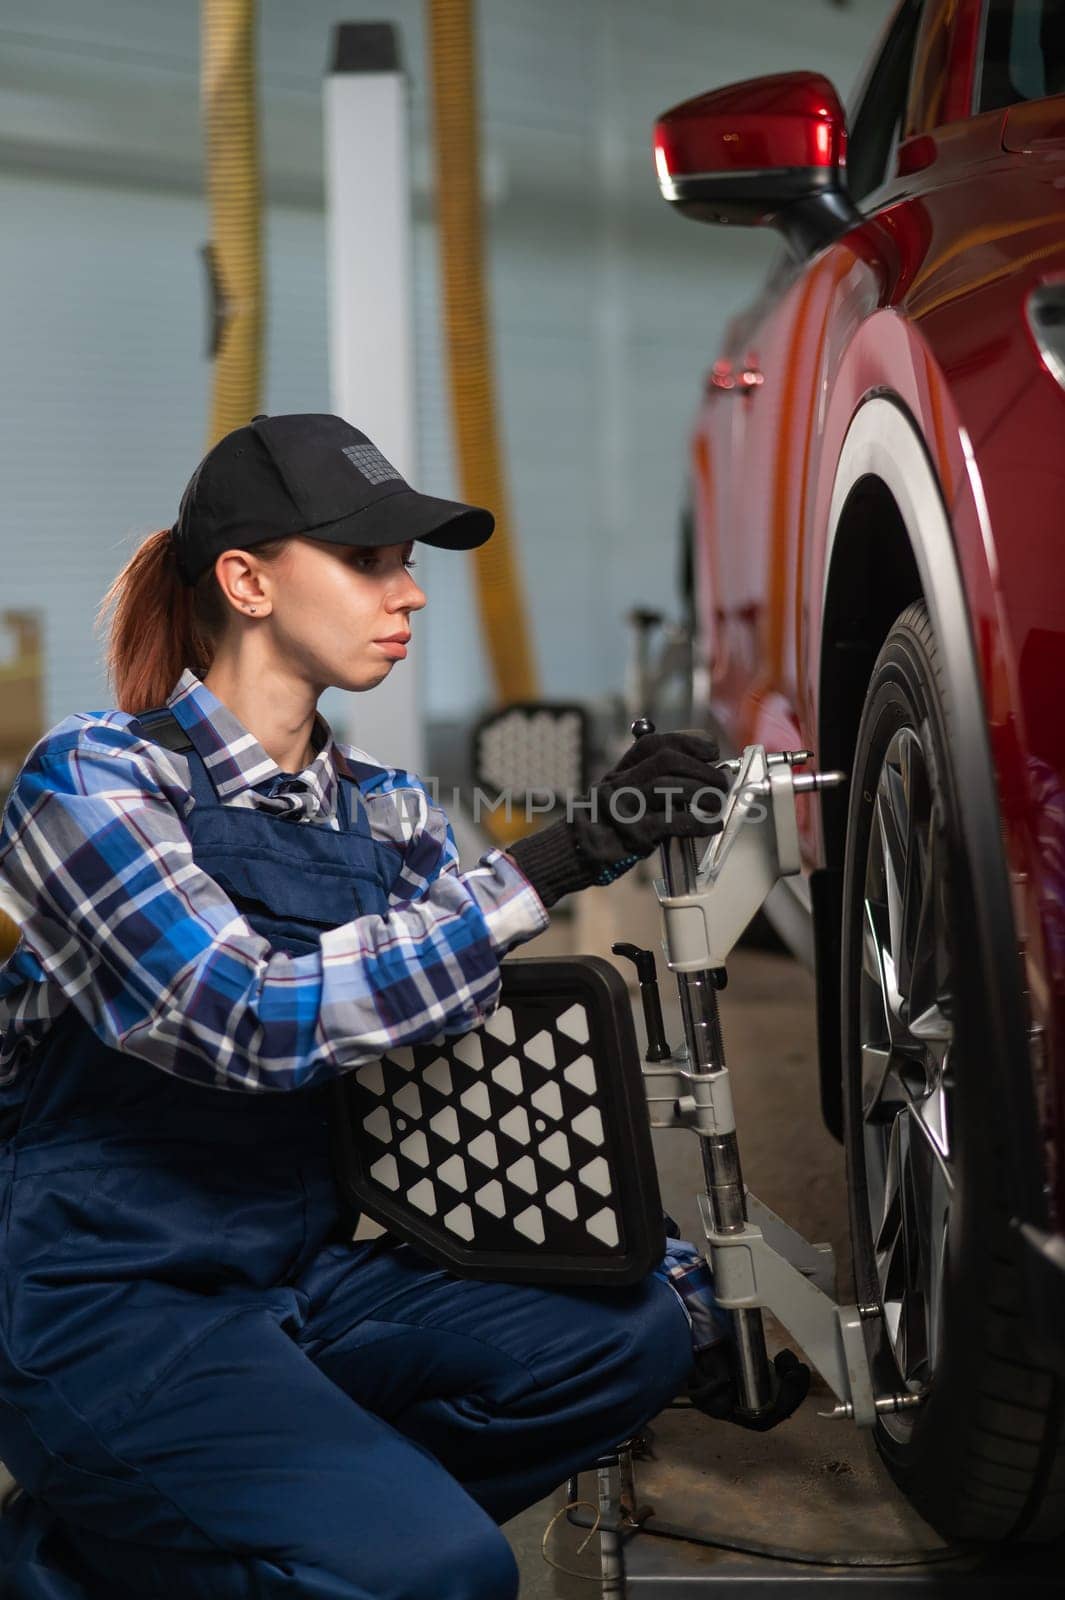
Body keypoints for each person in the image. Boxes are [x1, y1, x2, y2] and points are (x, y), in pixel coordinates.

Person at [0, 414, 795, 1600]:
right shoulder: (99, 775)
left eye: (408, 562)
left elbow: (485, 1076)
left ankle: (171, 1533)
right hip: (106, 1298)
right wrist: (553, 861)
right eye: (370, 560)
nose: (410, 593)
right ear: (248, 580)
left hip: (300, 1277)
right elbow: (244, 1017)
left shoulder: (389, 812)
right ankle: (105, 1555)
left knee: (627, 1333)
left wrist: (687, 1290)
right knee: (448, 1574)